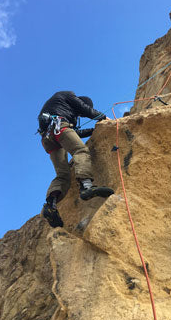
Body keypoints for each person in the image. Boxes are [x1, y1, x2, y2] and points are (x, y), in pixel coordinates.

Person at [37, 91, 114, 228]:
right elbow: (85, 109)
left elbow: (72, 134)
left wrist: (93, 130)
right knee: (80, 151)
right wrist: (103, 117)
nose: (79, 116)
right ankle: (86, 187)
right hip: (59, 127)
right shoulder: (69, 95)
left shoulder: (58, 105)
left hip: (48, 137)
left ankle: (50, 206)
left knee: (63, 175)